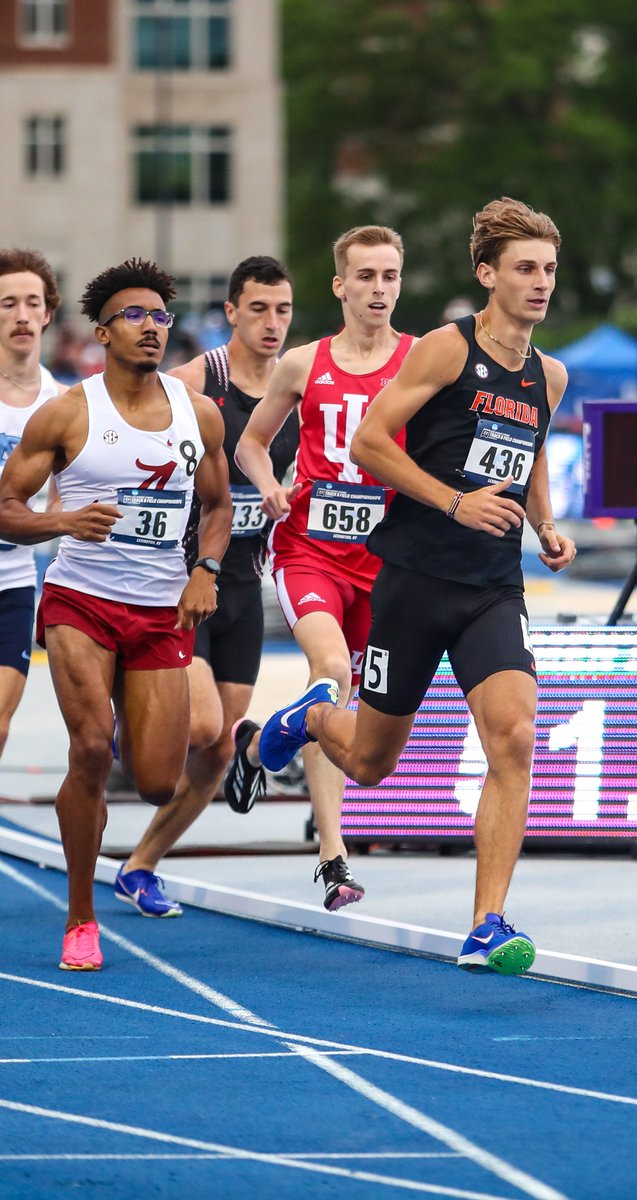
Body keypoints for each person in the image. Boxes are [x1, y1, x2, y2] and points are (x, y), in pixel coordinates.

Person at [252, 197, 576, 975]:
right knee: (369, 764)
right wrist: (452, 501)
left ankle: (487, 923)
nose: (540, 283)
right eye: (526, 268)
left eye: (550, 270)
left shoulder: (550, 375)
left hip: (493, 588)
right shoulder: (443, 349)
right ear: (487, 274)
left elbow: (524, 452)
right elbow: (368, 443)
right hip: (416, 580)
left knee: (517, 736)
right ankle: (314, 716)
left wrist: (545, 525)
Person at [0, 258, 231, 971]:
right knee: (93, 747)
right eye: (135, 315)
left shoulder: (199, 413)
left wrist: (205, 569)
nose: (152, 327)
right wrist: (64, 522)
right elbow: (6, 510)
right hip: (81, 603)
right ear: (102, 332)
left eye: (162, 316)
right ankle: (80, 916)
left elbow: (219, 507)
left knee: (159, 778)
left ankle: (121, 835)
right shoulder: (69, 411)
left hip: (161, 607)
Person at [227, 225, 415, 911]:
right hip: (308, 548)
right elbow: (250, 444)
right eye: (364, 276)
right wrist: (269, 484)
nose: (377, 289)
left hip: (383, 562)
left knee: (338, 708)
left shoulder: (424, 362)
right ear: (340, 286)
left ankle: (252, 751)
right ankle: (333, 858)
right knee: (330, 674)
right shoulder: (304, 364)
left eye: (389, 276)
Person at [113, 257, 297, 917]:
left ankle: (140, 866)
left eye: (282, 310)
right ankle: (125, 721)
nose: (272, 324)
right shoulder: (196, 383)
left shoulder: (296, 386)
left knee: (219, 749)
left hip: (244, 588)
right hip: (182, 582)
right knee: (204, 727)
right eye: (258, 309)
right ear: (230, 312)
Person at [0, 249, 68, 760]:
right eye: (7, 303)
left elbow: (68, 498)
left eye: (31, 303)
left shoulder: (64, 404)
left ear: (48, 313)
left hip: (16, 577)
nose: (21, 315)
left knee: (0, 722)